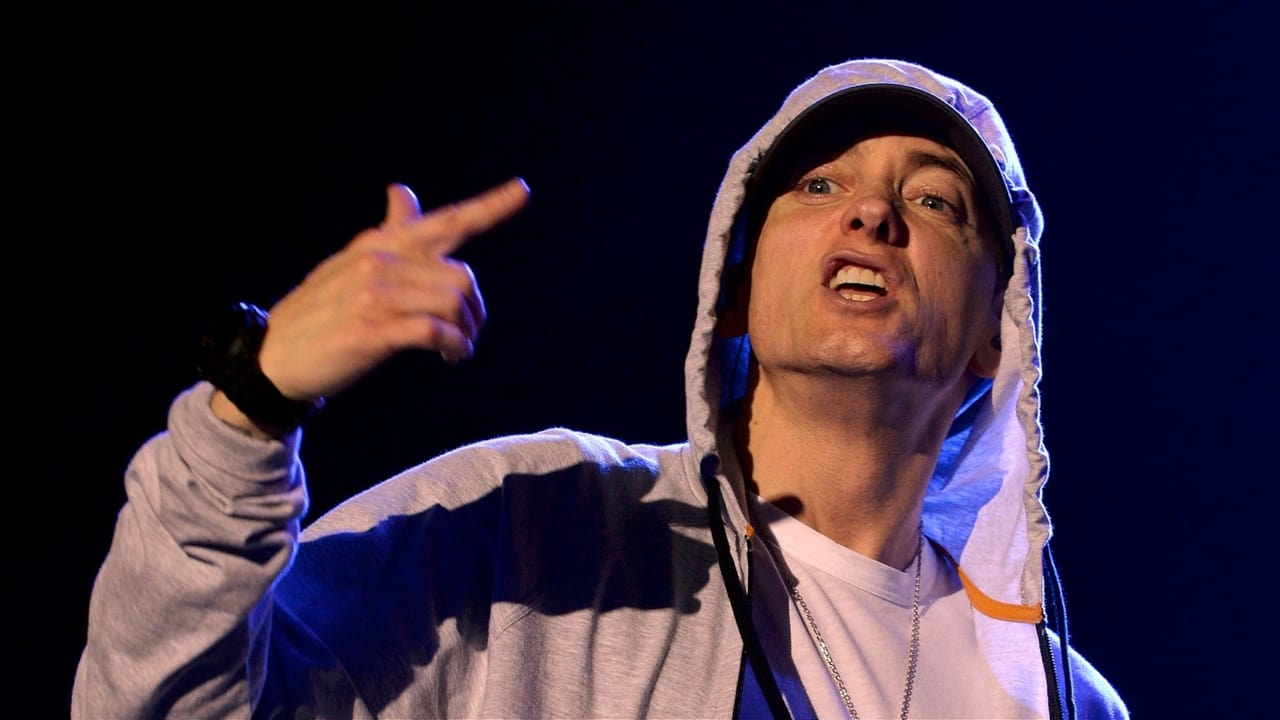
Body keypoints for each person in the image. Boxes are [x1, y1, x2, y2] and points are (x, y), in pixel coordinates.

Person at [71, 57, 1130, 719]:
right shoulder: (541, 524)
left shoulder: (1057, 701)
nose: (870, 214)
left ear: (996, 338)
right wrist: (250, 408)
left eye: (936, 202)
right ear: (733, 290)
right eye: (818, 184)